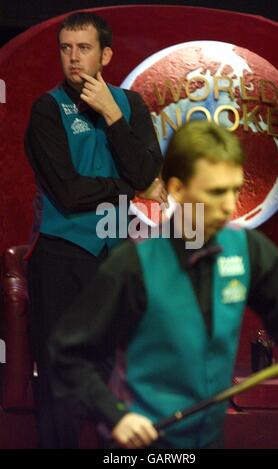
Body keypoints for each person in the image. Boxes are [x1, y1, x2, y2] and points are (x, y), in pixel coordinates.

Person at [48, 120, 278, 449]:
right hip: (141, 446)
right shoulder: (133, 264)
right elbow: (67, 355)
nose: (228, 205)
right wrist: (116, 414)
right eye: (215, 191)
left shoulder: (249, 250)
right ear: (178, 190)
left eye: (234, 189)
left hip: (208, 441)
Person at [24, 11, 164, 448]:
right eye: (65, 48)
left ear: (105, 54)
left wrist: (111, 116)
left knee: (110, 380)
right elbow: (68, 192)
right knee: (60, 379)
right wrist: (130, 188)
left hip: (115, 260)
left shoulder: (130, 105)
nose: (73, 58)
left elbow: (148, 170)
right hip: (61, 259)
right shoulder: (48, 109)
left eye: (83, 48)